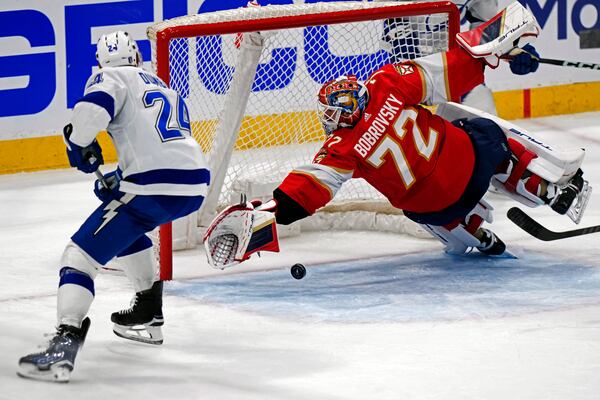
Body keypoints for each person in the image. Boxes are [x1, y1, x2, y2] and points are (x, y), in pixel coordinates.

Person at [203, 3, 590, 268]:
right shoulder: (386, 83)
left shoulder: (340, 149)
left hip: (434, 208)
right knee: (483, 130)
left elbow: (306, 192)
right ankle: (543, 186)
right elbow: (452, 69)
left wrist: (268, 210)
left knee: (419, 205)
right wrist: (497, 54)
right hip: (467, 164)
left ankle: (473, 233)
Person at [17, 31, 210, 382]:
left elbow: (92, 111)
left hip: (154, 184)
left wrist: (78, 143)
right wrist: (120, 178)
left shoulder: (110, 76)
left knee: (78, 256)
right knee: (129, 222)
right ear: (137, 56)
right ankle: (149, 314)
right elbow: (158, 144)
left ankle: (64, 344)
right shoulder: (163, 86)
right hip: (194, 182)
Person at [379, 0, 540, 115]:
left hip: (454, 74)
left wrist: (513, 49)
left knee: (488, 130)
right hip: (406, 79)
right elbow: (397, 38)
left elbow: (486, 28)